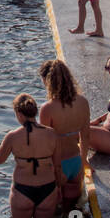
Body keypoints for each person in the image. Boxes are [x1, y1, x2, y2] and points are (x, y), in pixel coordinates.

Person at [0, 94, 62, 218]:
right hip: (48, 188)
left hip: (22, 191)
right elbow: (58, 165)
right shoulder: (51, 133)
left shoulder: (12, 136)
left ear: (19, 114)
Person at [38, 59, 90, 209]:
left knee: (55, 212)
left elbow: (45, 144)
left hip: (58, 165)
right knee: (72, 210)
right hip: (76, 162)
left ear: (49, 82)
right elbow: (85, 136)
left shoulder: (47, 108)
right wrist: (83, 161)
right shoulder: (83, 102)